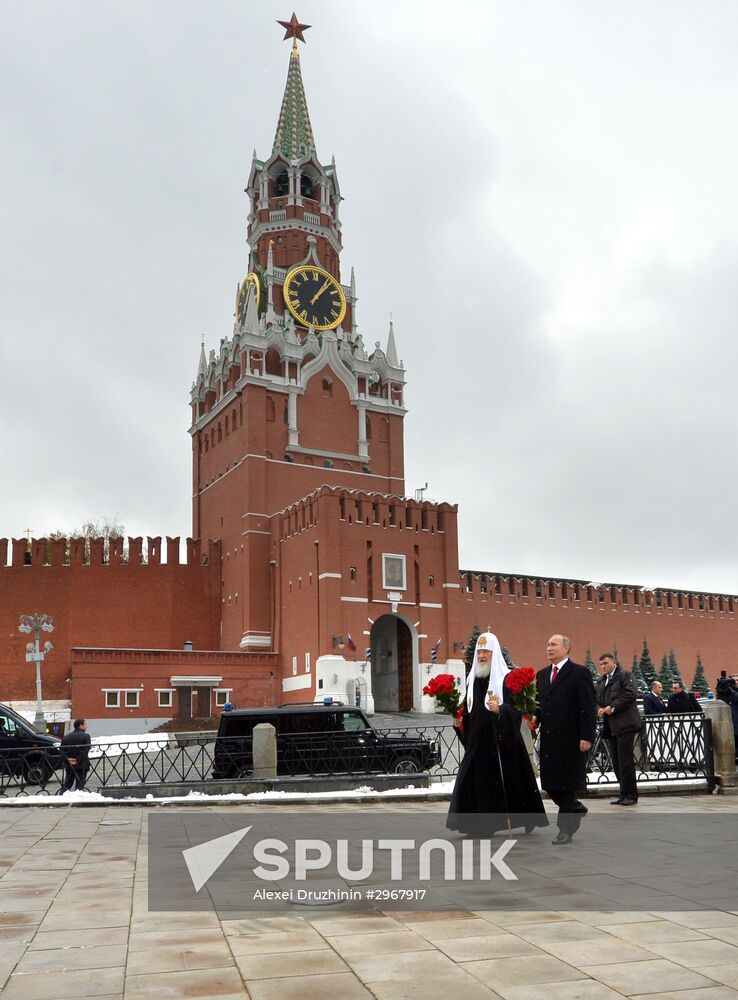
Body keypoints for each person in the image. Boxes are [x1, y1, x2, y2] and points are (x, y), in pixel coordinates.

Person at [447, 631, 548, 837]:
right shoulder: (472, 679)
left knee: (509, 782)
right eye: (479, 652)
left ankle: (496, 823)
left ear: (494, 654)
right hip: (477, 739)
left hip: (500, 739)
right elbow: (469, 707)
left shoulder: (506, 678)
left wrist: (501, 710)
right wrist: (460, 720)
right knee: (471, 779)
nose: (481, 656)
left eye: (486, 652)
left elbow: (516, 707)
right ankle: (473, 824)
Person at [535, 634, 596, 845]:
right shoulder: (542, 675)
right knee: (550, 785)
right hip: (550, 739)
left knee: (567, 785)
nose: (549, 648)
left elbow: (588, 708)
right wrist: (534, 716)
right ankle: (576, 809)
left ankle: (565, 830)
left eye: (553, 644)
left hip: (571, 739)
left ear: (566, 649)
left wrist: (586, 736)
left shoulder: (579, 673)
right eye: (547, 644)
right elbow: (541, 704)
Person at [595, 653, 643, 806]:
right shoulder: (602, 681)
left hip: (625, 724)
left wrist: (613, 707)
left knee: (625, 761)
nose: (603, 666)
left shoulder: (625, 675)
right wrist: (599, 709)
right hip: (611, 726)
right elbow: (597, 699)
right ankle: (623, 793)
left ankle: (631, 794)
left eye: (606, 663)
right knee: (616, 762)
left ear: (614, 662)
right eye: (601, 664)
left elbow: (630, 694)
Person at [58, 719, 91, 792]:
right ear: (81, 725)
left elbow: (61, 750)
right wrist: (77, 760)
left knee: (67, 784)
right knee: (80, 786)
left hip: (69, 765)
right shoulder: (86, 736)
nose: (86, 726)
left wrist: (68, 759)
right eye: (85, 725)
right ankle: (77, 800)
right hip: (82, 765)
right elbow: (85, 750)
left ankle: (61, 798)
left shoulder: (66, 737)